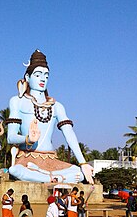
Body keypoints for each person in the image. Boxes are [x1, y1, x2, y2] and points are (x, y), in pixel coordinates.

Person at [6, 49, 94, 184]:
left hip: (51, 160)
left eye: (46, 76)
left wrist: (83, 163)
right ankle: (52, 178)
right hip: (27, 159)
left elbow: (69, 135)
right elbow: (10, 137)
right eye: (38, 75)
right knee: (15, 170)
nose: (43, 79)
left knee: (79, 172)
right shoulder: (17, 101)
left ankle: (48, 176)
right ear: (28, 78)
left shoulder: (57, 106)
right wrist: (28, 139)